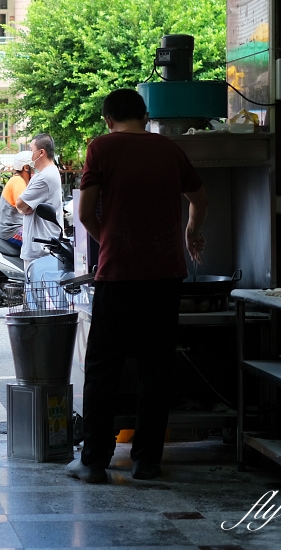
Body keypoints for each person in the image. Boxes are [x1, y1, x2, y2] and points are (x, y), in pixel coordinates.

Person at [68, 88, 208, 484]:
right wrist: (191, 231)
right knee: (156, 368)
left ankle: (94, 461)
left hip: (119, 274)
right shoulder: (169, 149)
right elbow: (201, 199)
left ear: (108, 119)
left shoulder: (102, 148)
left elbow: (84, 212)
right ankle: (148, 461)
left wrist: (108, 238)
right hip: (166, 275)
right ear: (145, 116)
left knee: (102, 367)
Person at [15, 133, 64, 272]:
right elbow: (22, 206)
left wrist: (25, 207)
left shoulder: (43, 177)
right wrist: (25, 207)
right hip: (44, 248)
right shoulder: (51, 172)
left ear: (41, 152)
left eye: (31, 150)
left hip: (40, 250)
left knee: (36, 292)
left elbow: (20, 204)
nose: (30, 155)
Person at [0, 151, 33, 247]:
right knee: (40, 243)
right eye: (33, 166)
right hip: (12, 231)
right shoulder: (18, 181)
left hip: (14, 228)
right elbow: (26, 207)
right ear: (26, 167)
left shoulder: (20, 181)